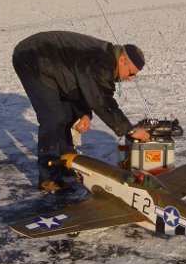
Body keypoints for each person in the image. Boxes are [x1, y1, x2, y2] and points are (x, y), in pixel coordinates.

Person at [12, 31, 150, 193]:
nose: (130, 78)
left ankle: (66, 165)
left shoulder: (105, 60)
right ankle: (48, 177)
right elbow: (101, 100)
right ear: (122, 60)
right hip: (32, 58)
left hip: (53, 66)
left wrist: (84, 114)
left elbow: (81, 86)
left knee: (67, 116)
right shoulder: (102, 63)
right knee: (53, 118)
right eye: (131, 72)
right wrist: (130, 130)